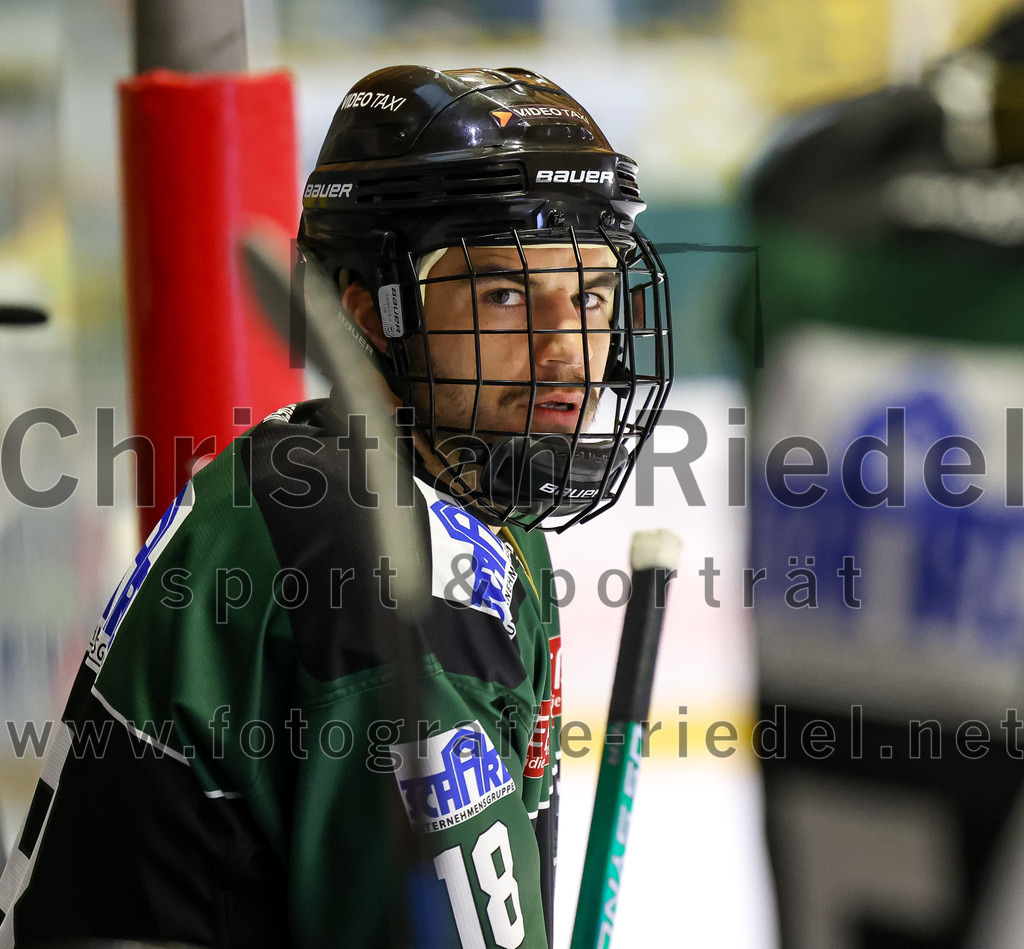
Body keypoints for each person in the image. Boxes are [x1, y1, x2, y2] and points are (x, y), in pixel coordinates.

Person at [0, 65, 672, 948]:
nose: (567, 349)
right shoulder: (378, 564)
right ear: (373, 313)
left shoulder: (402, 484)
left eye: (590, 294)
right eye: (506, 295)